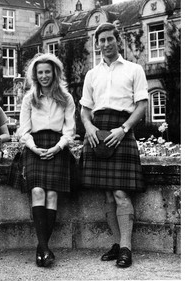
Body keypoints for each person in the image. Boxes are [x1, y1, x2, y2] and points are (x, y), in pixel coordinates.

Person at [80, 22, 148, 268]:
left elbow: (141, 105)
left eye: (110, 39)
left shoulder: (134, 69)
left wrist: (123, 129)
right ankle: (118, 244)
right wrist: (89, 128)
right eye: (102, 40)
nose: (106, 44)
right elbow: (85, 109)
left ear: (118, 41)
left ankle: (127, 248)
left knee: (120, 192)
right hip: (97, 131)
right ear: (96, 44)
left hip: (121, 129)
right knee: (107, 194)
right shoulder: (92, 74)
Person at [17, 53, 76, 267]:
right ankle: (44, 248)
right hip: (35, 146)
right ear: (35, 75)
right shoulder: (29, 98)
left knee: (52, 195)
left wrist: (57, 147)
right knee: (37, 191)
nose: (43, 76)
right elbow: (23, 130)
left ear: (54, 73)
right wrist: (34, 147)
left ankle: (42, 249)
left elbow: (70, 130)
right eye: (40, 72)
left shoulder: (66, 98)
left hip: (58, 146)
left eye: (47, 72)